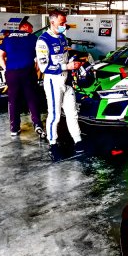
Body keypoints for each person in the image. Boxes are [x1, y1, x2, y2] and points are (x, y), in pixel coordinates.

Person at [36, 10, 85, 162]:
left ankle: (78, 141)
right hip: (53, 81)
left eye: (65, 22)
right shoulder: (43, 40)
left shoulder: (63, 38)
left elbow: (65, 58)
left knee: (72, 113)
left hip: (67, 80)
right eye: (62, 23)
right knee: (55, 115)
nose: (65, 25)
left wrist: (73, 62)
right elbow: (44, 68)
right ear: (52, 22)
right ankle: (53, 145)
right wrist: (66, 66)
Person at [0, 20, 45, 138]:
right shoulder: (33, 38)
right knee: (32, 98)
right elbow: (40, 57)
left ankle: (14, 129)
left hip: (12, 73)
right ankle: (37, 124)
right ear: (25, 27)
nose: (31, 31)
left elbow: (0, 56)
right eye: (31, 28)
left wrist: (6, 68)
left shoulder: (8, 38)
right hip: (28, 71)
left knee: (13, 101)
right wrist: (37, 70)